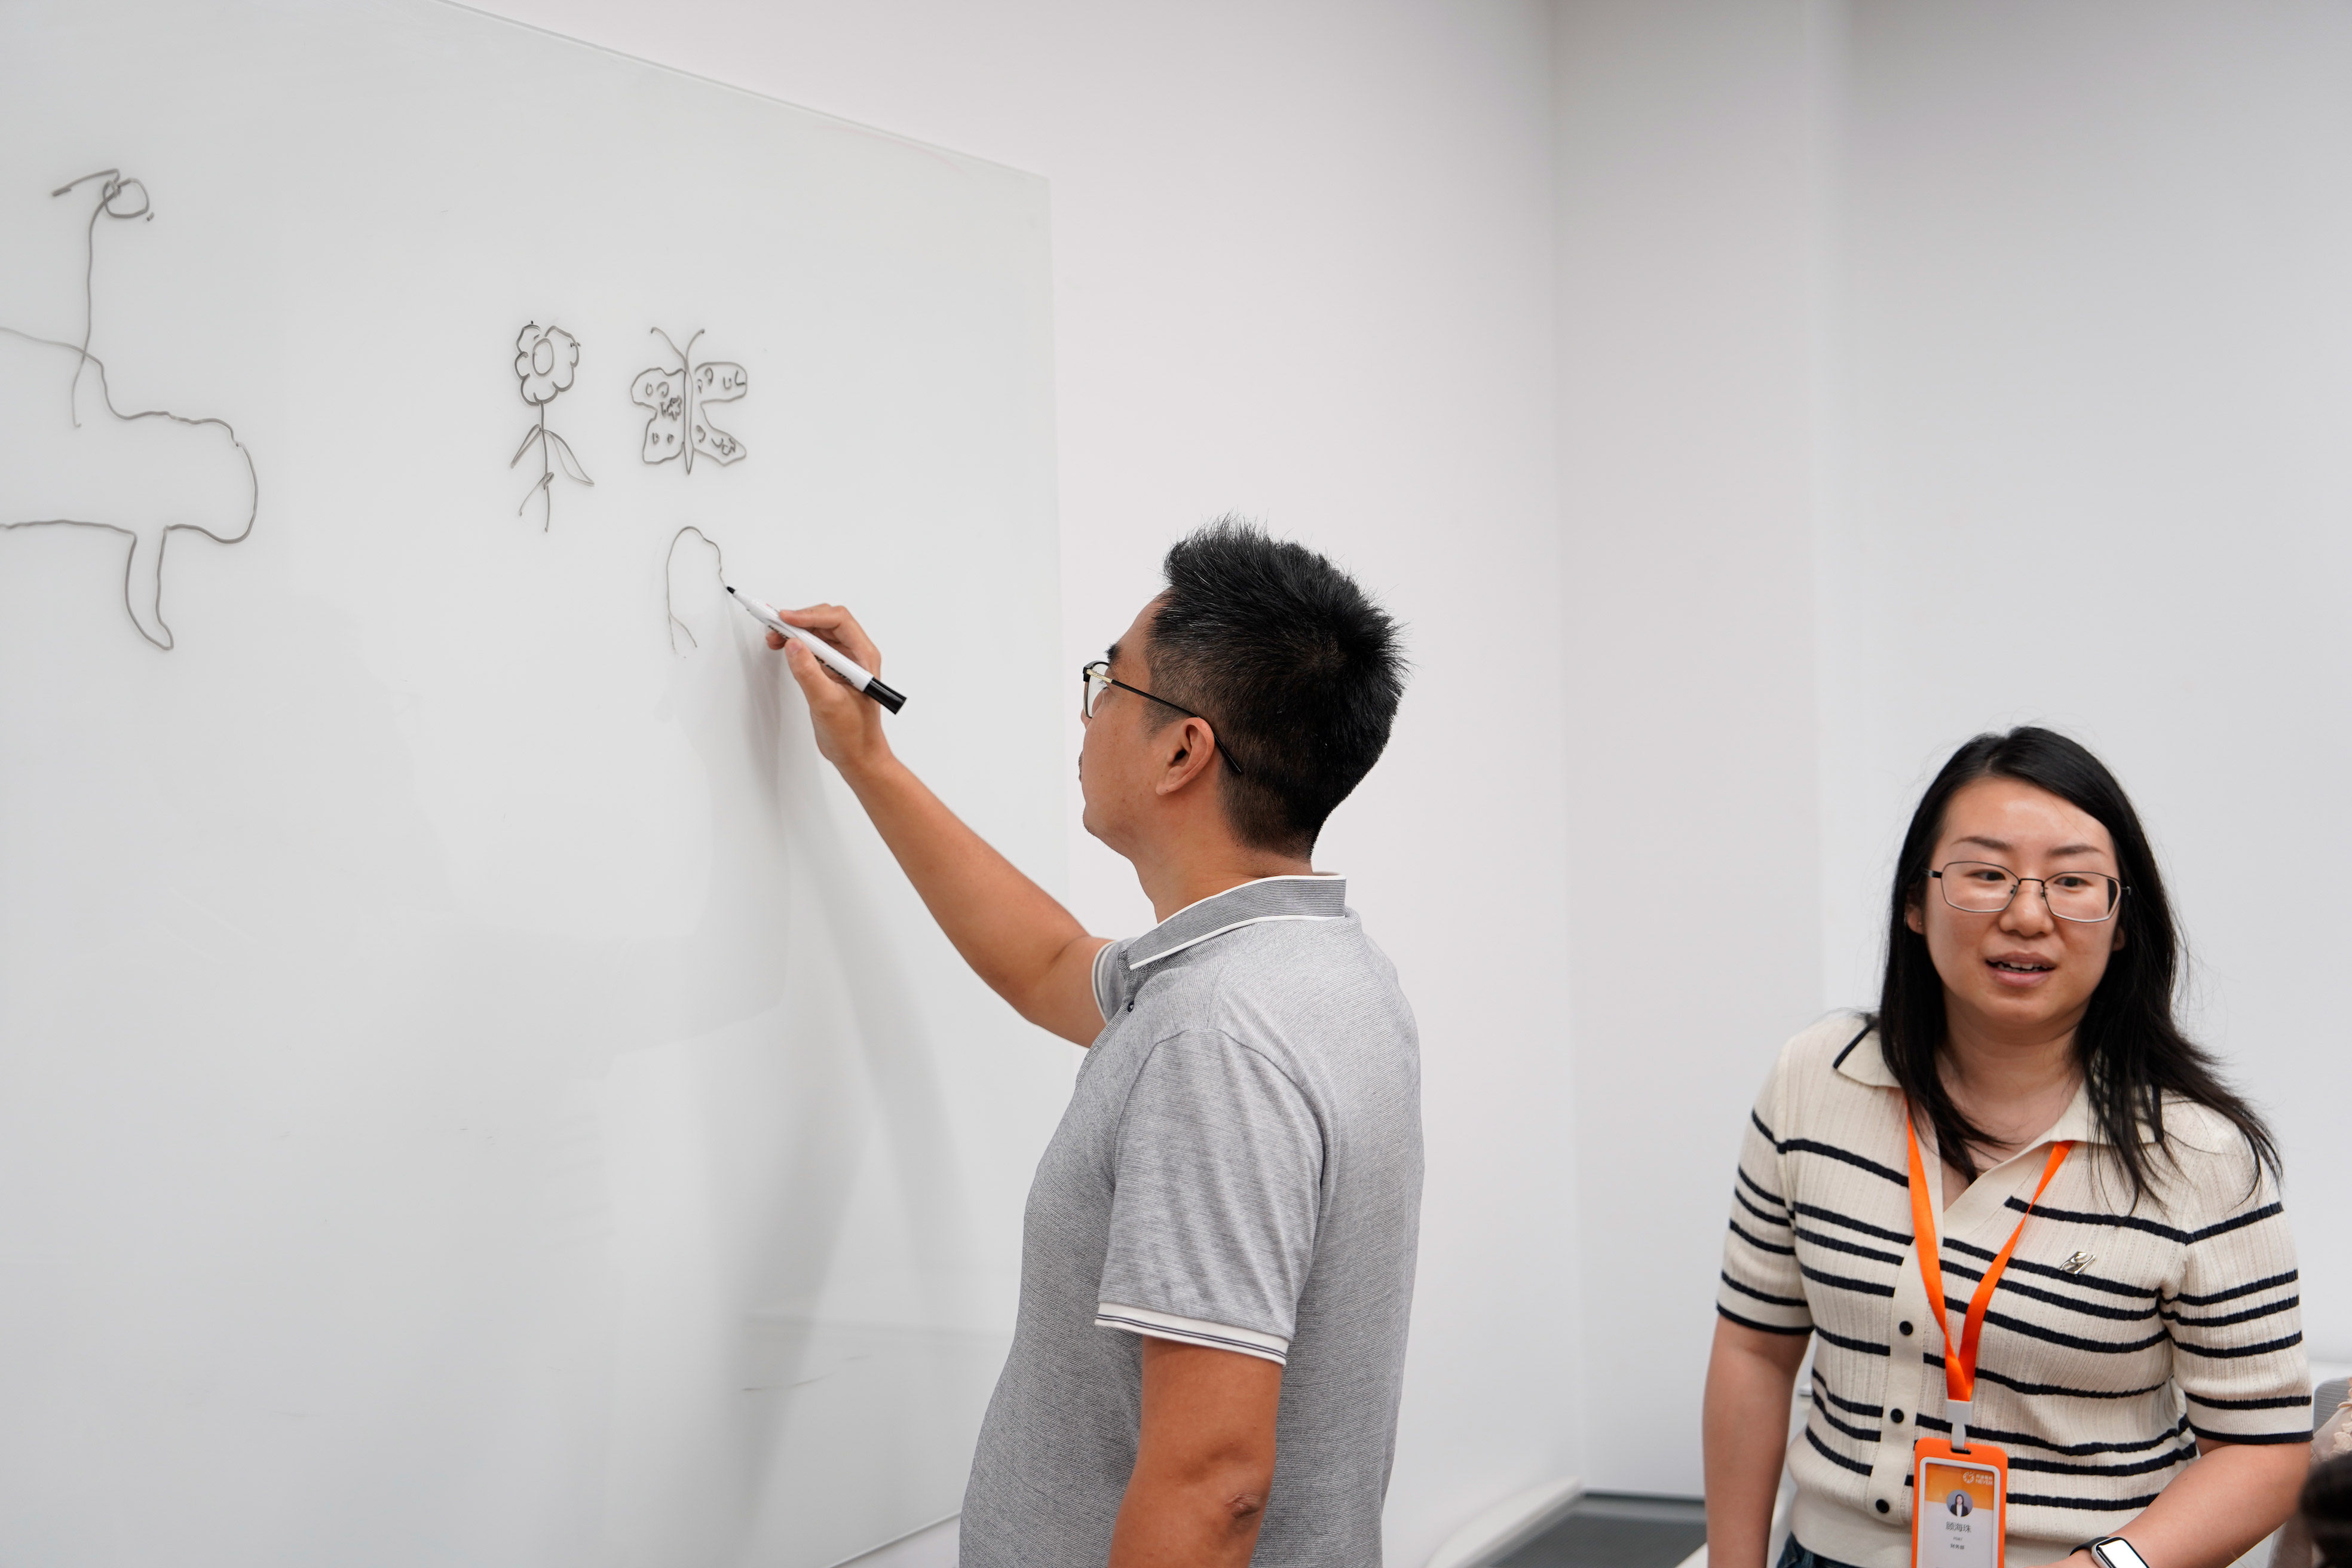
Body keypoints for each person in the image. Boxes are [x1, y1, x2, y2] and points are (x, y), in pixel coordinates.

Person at [764, 519, 1419, 1568]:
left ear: (1181, 750)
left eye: (1108, 682)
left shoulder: (1216, 1040)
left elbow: (1213, 1486)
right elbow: (1048, 964)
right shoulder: (1320, 969)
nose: (1088, 711)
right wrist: (868, 759)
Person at [1705, 728, 2311, 1568]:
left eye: (2072, 882)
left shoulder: (2197, 1157)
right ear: (1915, 903)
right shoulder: (1818, 1078)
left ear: (2122, 923)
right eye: (1986, 874)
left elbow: (2263, 1451)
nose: (2027, 916)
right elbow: (1754, 1351)